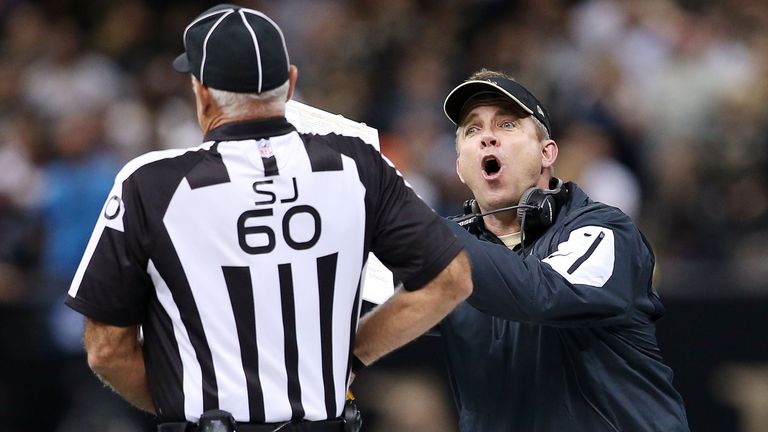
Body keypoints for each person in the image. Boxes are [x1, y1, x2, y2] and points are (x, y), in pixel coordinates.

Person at [64, 4, 471, 432]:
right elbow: (451, 279)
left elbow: (107, 350)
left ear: (201, 92)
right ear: (290, 84)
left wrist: (181, 404)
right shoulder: (356, 164)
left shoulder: (149, 184)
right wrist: (353, 355)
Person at [438, 69, 689, 431]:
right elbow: (360, 308)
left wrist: (418, 224)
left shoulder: (606, 231)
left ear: (547, 152)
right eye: (472, 130)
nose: (487, 137)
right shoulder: (445, 248)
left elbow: (540, 293)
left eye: (507, 125)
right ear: (460, 167)